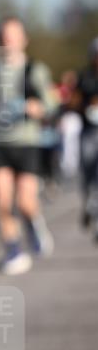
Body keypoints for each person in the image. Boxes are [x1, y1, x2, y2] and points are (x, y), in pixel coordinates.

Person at [0, 17, 57, 274]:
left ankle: (33, 222)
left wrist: (39, 108)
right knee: (2, 197)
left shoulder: (36, 70)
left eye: (13, 35)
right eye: (3, 35)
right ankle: (13, 249)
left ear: (24, 39)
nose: (7, 40)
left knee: (25, 200)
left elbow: (52, 104)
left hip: (27, 141)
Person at [74, 38, 98, 241]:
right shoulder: (85, 77)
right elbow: (74, 101)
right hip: (88, 131)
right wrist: (85, 107)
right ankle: (88, 205)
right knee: (88, 173)